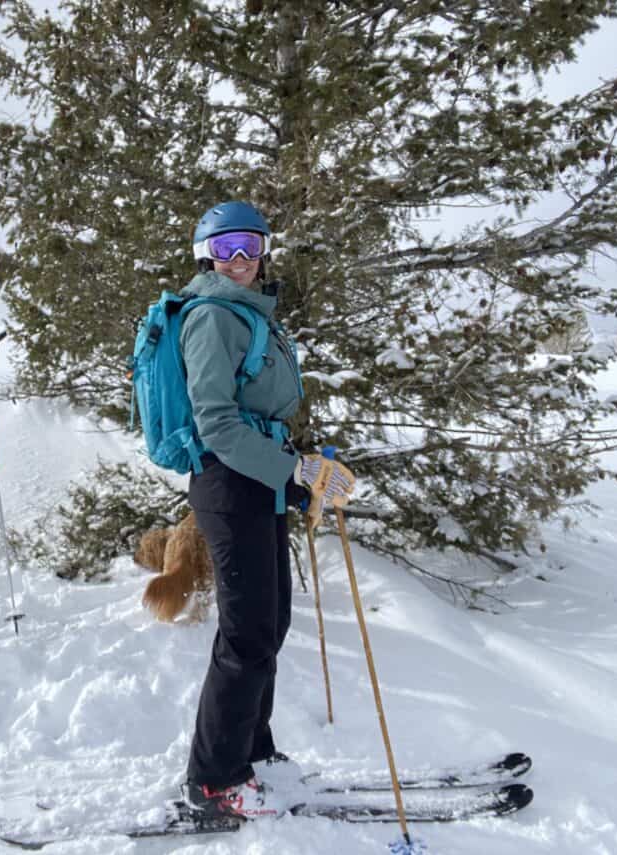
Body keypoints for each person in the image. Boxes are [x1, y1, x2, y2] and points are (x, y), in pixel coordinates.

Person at [178, 202, 354, 820]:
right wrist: (293, 470)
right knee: (247, 634)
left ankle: (254, 749)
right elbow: (218, 423)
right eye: (227, 249)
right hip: (230, 485)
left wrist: (297, 470)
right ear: (207, 255)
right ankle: (213, 779)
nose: (241, 260)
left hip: (259, 480)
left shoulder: (251, 315)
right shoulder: (212, 317)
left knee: (269, 623)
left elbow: (260, 411)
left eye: (250, 245)